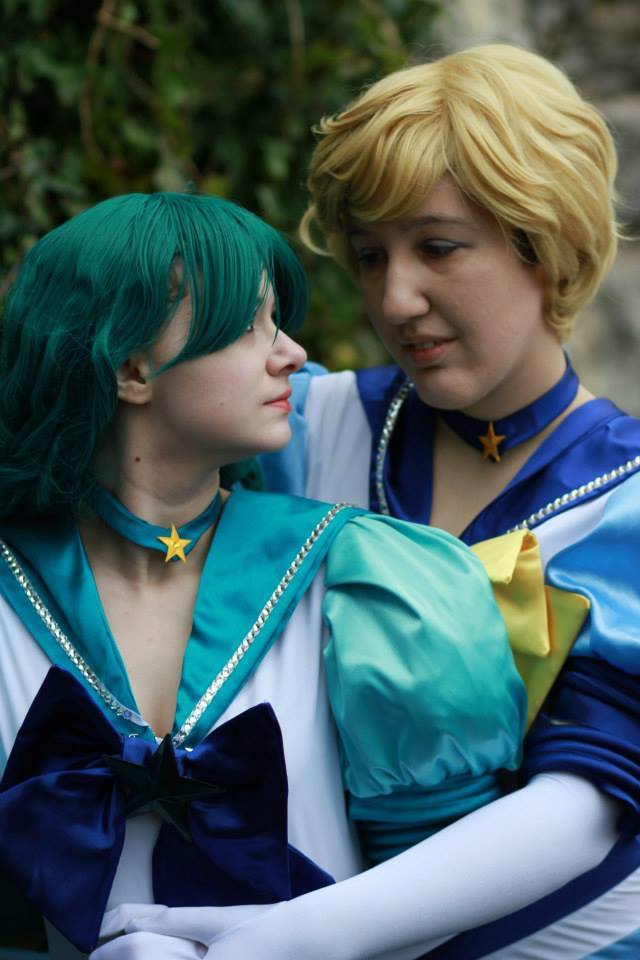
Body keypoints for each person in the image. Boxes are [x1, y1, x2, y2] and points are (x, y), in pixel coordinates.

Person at [87, 47, 639, 960]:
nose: (395, 298)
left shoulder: (625, 503)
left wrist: (298, 937)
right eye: (370, 255)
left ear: (547, 243)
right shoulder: (295, 427)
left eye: (438, 247)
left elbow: (587, 805)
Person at [0, 191, 539, 960]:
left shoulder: (369, 583)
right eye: (245, 327)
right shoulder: (11, 594)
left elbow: (437, 905)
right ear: (131, 367)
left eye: (276, 321)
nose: (290, 353)